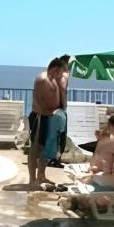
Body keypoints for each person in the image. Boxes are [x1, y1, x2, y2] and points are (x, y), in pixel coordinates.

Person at [28, 57, 68, 186]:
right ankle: (32, 179)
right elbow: (38, 100)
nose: (62, 75)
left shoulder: (53, 79)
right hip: (41, 117)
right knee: (36, 149)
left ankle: (41, 176)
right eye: (61, 72)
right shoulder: (43, 79)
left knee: (46, 149)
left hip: (50, 117)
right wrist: (49, 112)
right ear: (55, 69)